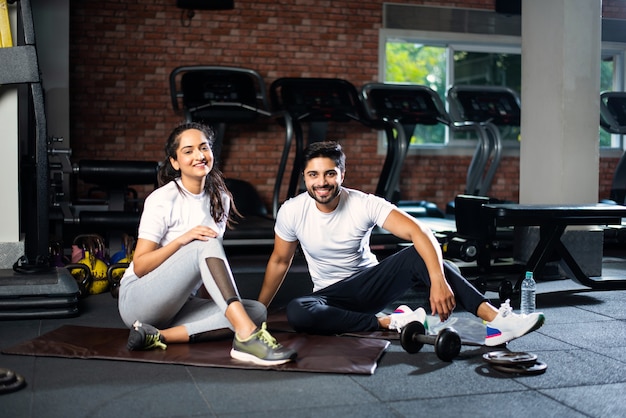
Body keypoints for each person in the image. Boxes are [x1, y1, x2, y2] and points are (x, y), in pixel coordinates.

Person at [258, 141, 544, 346]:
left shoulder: (363, 203)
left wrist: (437, 280)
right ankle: (390, 322)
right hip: (329, 298)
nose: (322, 182)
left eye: (330, 173)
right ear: (305, 178)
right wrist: (258, 312)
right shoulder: (292, 211)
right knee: (298, 310)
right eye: (314, 175)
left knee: (418, 254)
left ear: (342, 175)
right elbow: (280, 261)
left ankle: (496, 320)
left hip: (370, 286)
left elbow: (420, 232)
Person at [118, 122, 296, 366]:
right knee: (203, 242)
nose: (199, 156)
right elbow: (140, 266)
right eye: (188, 151)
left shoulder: (219, 199)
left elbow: (206, 268)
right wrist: (183, 240)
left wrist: (218, 306)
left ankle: (157, 336)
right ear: (175, 162)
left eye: (204, 148)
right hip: (139, 300)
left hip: (180, 305)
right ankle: (247, 337)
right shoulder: (162, 199)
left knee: (255, 312)